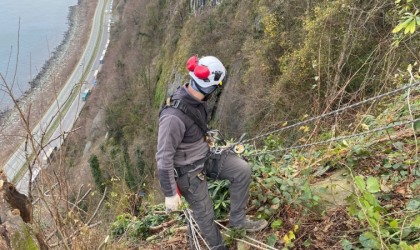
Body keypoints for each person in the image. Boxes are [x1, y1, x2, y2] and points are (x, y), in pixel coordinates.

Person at [156, 55, 267, 249]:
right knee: (206, 215)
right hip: (187, 172)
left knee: (241, 170)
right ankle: (218, 247)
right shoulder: (173, 117)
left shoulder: (195, 102)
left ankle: (238, 220)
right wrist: (170, 193)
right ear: (211, 87)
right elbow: (163, 158)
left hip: (204, 157)